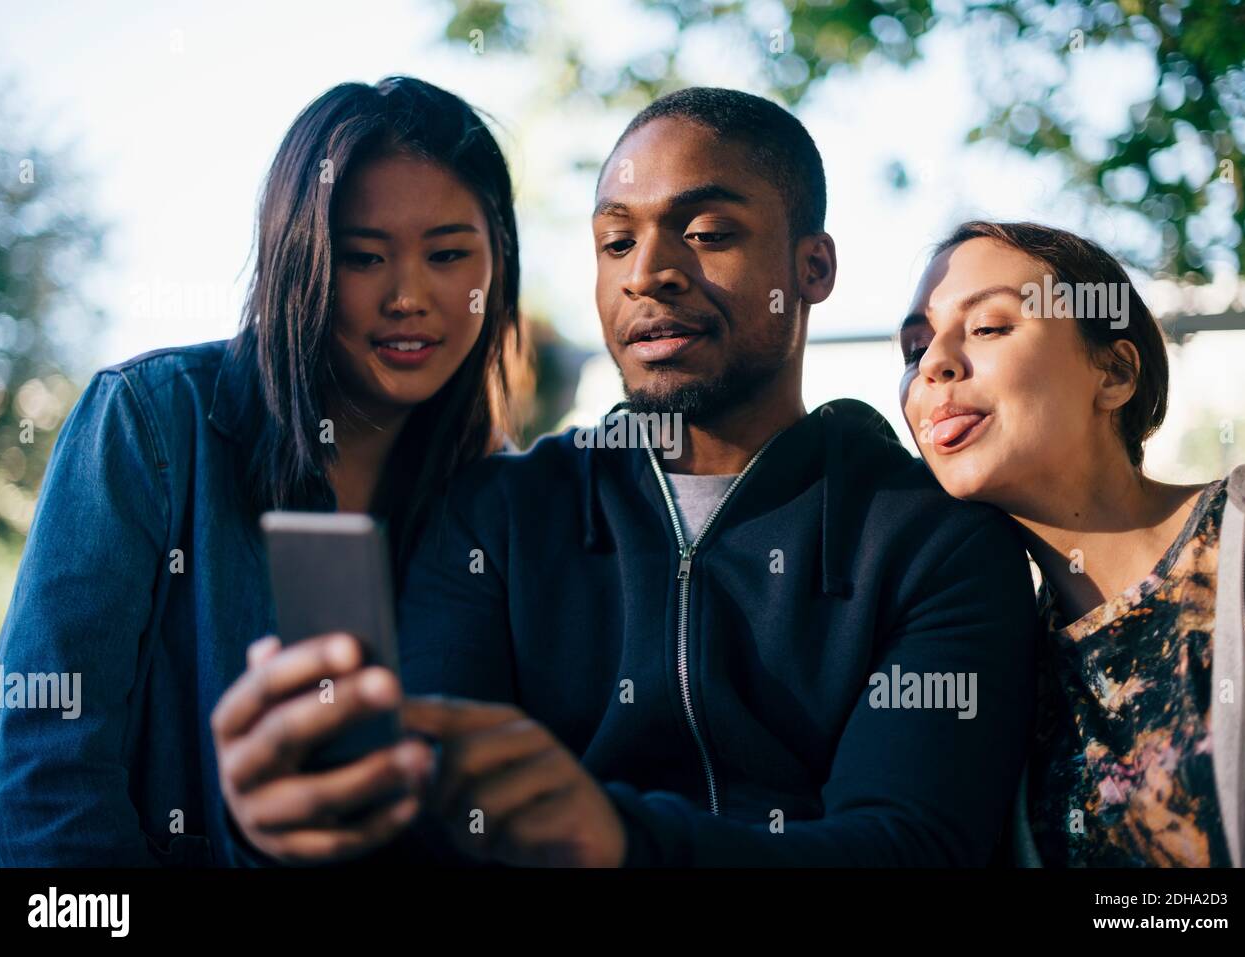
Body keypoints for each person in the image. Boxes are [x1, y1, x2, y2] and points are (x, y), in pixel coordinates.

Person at [213, 88, 1040, 868]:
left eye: (709, 233)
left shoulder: (942, 542)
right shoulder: (492, 516)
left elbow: (907, 847)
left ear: (813, 268)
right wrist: (298, 820)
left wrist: (622, 840)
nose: (648, 272)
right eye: (616, 243)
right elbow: (425, 826)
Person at [0, 75, 521, 866]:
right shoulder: (149, 422)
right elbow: (40, 779)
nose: (409, 296)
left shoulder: (497, 490)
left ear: (495, 261)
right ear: (298, 262)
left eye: (447, 254)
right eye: (364, 257)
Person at [896, 220, 1245, 867]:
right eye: (913, 349)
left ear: (1115, 373)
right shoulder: (990, 656)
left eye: (988, 327)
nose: (933, 365)